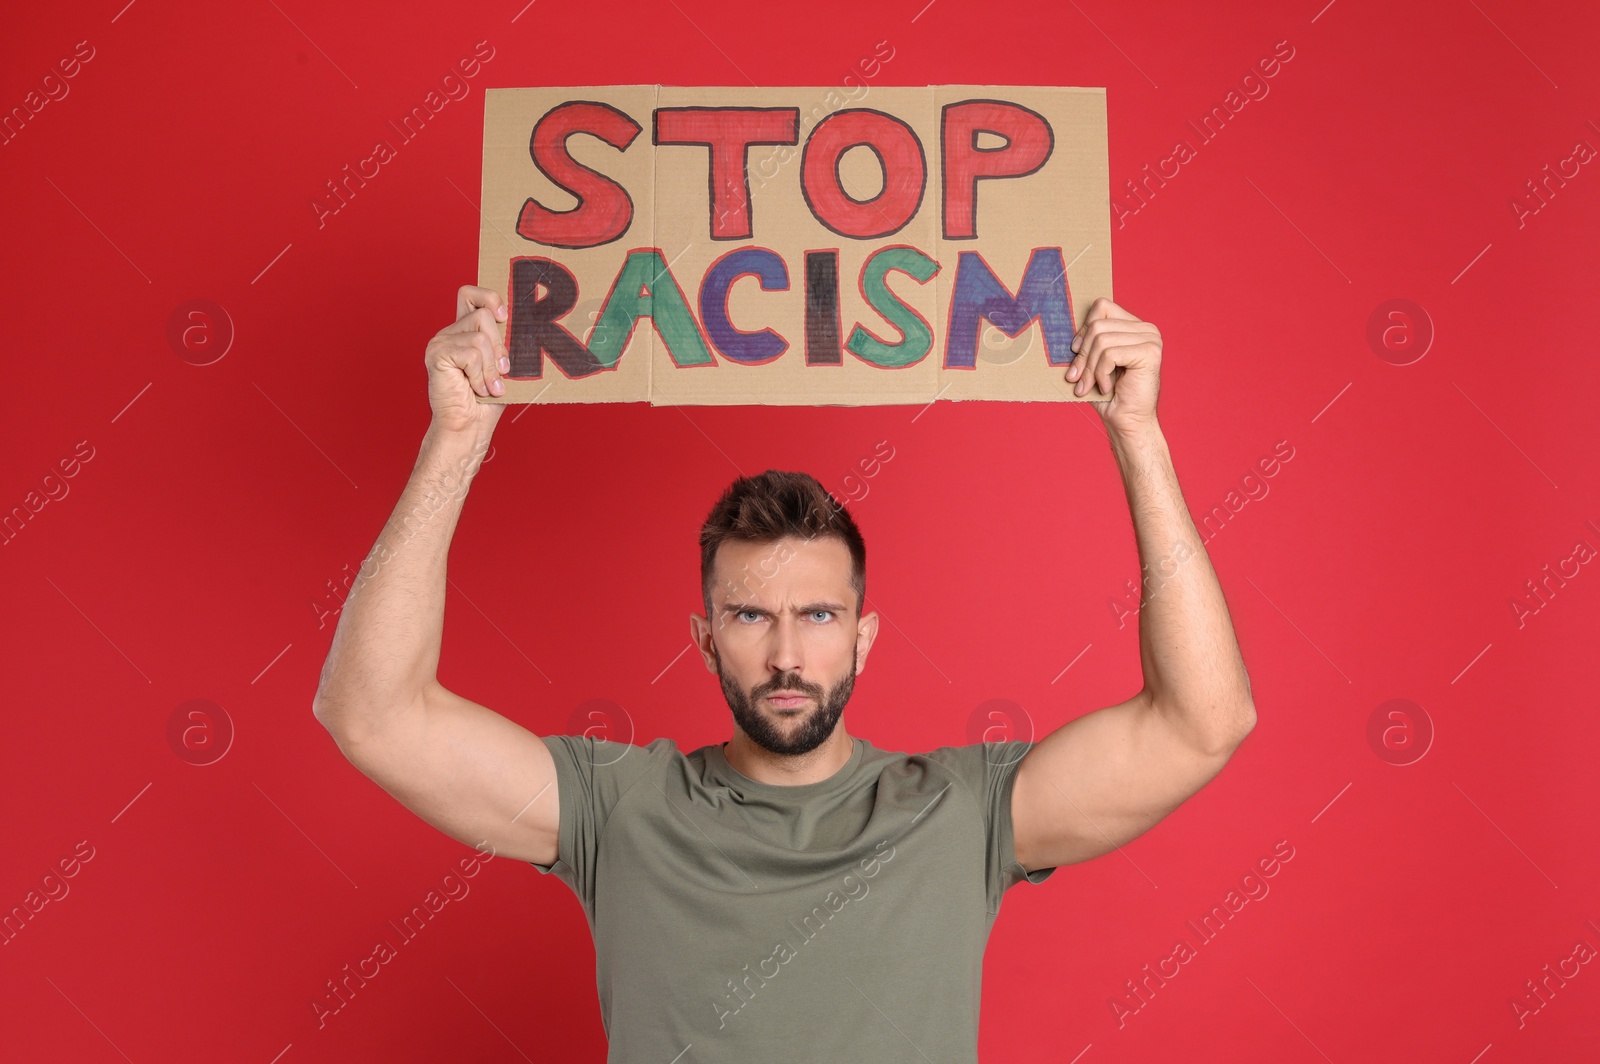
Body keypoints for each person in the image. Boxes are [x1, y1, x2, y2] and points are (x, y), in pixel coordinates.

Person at [313, 286, 1256, 1062]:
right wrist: (456, 443)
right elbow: (373, 716)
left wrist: (1138, 434)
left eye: (817, 615)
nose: (787, 656)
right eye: (751, 617)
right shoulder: (619, 810)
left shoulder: (960, 813)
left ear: (865, 635)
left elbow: (1203, 722)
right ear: (704, 637)